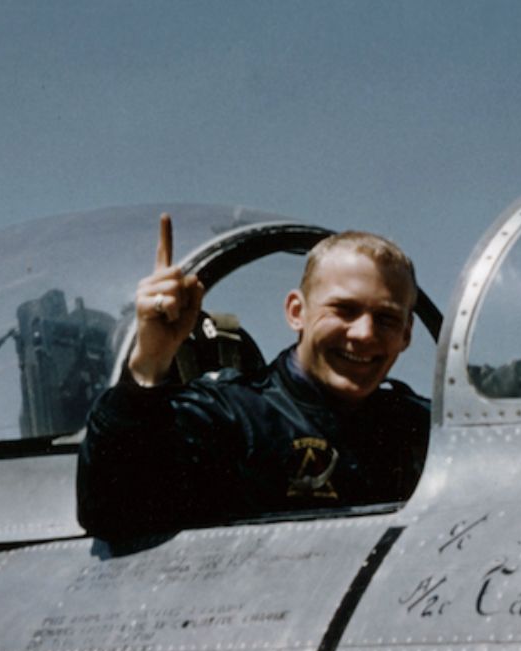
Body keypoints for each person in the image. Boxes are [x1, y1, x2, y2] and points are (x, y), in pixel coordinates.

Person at [76, 215, 429, 539]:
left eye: (386, 318)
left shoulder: (425, 430)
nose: (365, 334)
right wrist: (149, 362)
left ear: (407, 334)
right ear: (296, 312)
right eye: (344, 310)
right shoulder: (228, 415)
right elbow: (113, 511)